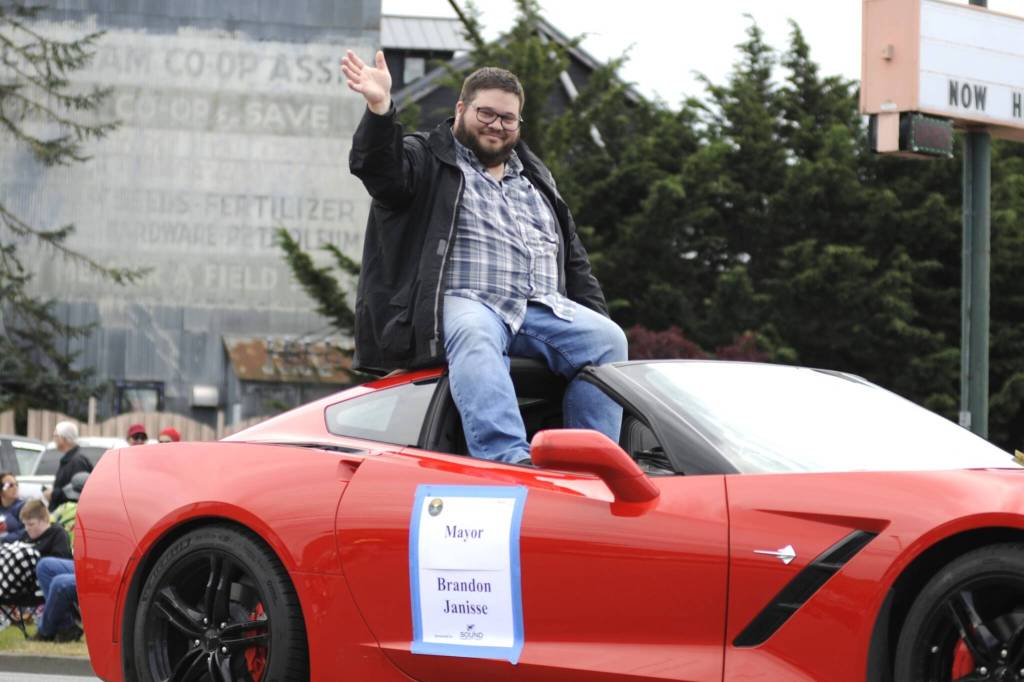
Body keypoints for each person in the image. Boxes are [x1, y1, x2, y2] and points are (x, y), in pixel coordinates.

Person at [342, 51, 627, 464]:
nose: (497, 124)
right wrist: (380, 108)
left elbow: (574, 261)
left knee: (607, 339)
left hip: (537, 307)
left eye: (507, 118)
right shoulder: (427, 158)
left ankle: (587, 461)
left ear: (518, 124)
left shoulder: (535, 177)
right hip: (466, 300)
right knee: (476, 336)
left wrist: (596, 316)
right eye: (486, 113)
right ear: (462, 108)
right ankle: (507, 458)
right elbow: (378, 170)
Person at [32, 473, 87, 643]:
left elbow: (48, 525)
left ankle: (45, 632)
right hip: (83, 562)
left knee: (59, 582)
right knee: (44, 566)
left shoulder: (65, 509)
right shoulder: (76, 508)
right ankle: (66, 626)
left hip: (100, 568)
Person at [48, 421, 92, 512]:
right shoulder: (69, 459)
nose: (54, 439)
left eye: (56, 436)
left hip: (68, 516)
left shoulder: (77, 461)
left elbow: (77, 492)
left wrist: (53, 494)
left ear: (64, 438)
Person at [0, 472, 25, 543]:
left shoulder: (23, 507)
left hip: (14, 547)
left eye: (16, 484)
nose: (15, 487)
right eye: (10, 485)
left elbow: (25, 532)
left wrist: (3, 539)